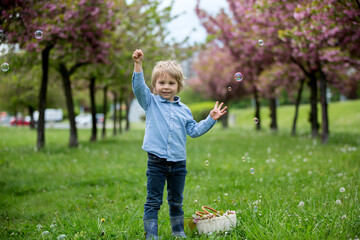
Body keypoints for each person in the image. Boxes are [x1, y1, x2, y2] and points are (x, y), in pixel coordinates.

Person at [132, 49, 227, 239]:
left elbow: (194, 131)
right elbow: (138, 88)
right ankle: (151, 235)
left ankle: (178, 232)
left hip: (178, 163)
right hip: (156, 162)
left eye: (171, 83)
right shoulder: (150, 102)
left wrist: (210, 118)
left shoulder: (184, 110)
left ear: (178, 86)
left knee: (176, 201)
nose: (166, 87)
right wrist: (138, 64)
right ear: (154, 85)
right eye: (161, 83)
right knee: (153, 201)